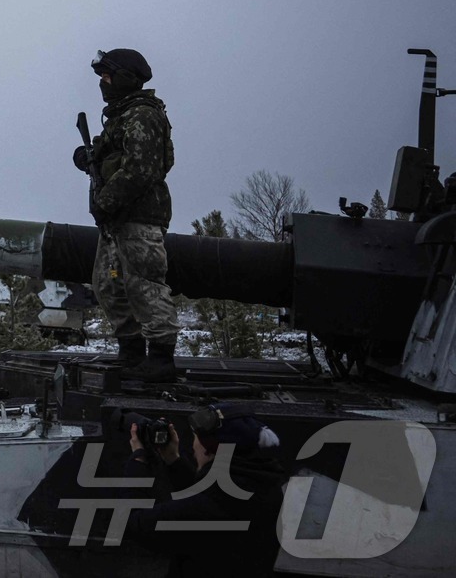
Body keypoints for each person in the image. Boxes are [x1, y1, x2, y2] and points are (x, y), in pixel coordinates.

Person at [74, 48, 179, 381]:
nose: (103, 83)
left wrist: (106, 201)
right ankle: (131, 353)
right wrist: (87, 157)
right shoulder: (120, 117)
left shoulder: (143, 116)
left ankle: (161, 358)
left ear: (125, 78)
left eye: (107, 76)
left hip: (138, 216)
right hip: (116, 219)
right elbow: (111, 156)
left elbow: (140, 169)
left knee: (144, 285)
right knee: (108, 286)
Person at [123, 405, 289, 577]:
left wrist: (138, 461)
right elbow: (206, 496)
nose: (194, 447)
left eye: (196, 439)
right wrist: (173, 460)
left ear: (209, 450)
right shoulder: (266, 487)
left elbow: (135, 522)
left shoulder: (210, 508)